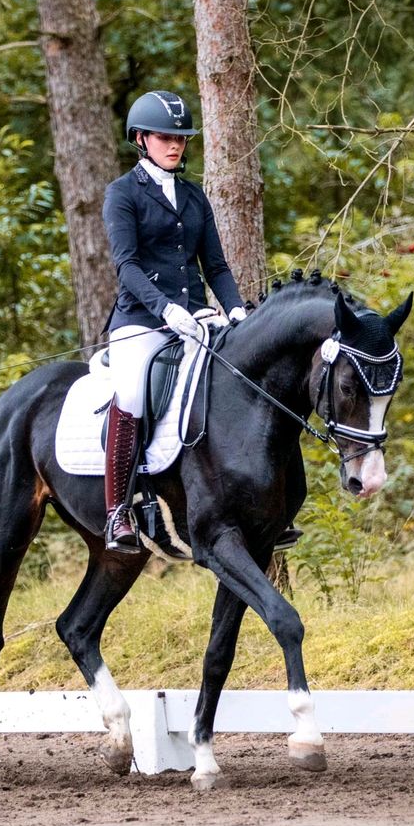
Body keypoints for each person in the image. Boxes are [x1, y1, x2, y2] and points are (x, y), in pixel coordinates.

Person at [101, 90, 247, 553]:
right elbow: (126, 265)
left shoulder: (193, 195)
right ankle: (118, 512)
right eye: (165, 137)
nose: (175, 145)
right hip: (141, 321)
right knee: (131, 392)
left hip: (197, 319)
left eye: (181, 138)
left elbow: (216, 267)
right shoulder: (122, 194)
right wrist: (166, 310)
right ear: (141, 139)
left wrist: (238, 311)